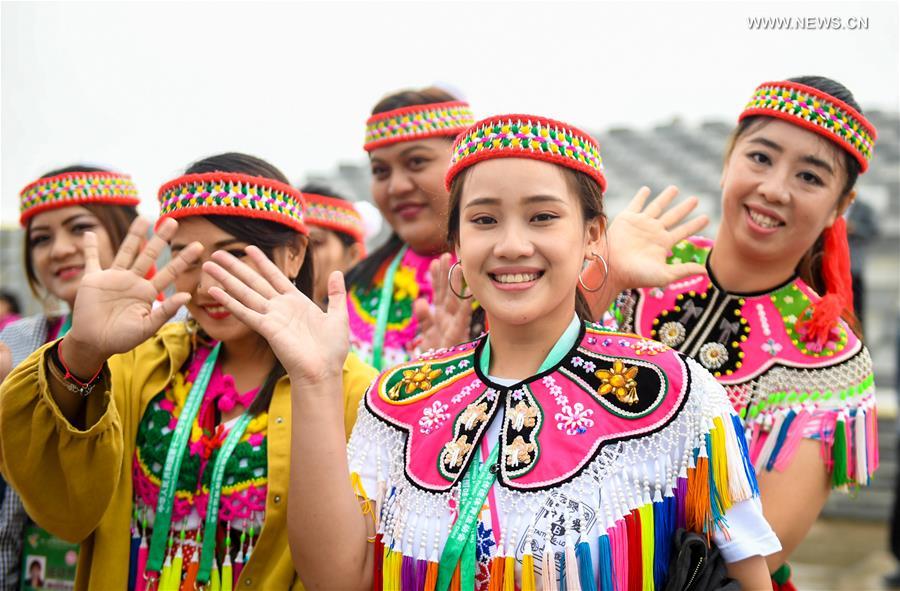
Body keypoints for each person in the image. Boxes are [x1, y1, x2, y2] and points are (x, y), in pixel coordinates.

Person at [204, 114, 779, 590]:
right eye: (483, 220)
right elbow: (338, 580)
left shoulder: (674, 396)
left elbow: (749, 578)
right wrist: (315, 381)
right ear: (456, 244)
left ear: (593, 236)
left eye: (543, 217)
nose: (510, 244)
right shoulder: (399, 400)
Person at [0, 153, 377, 589]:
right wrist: (81, 353)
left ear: (293, 255)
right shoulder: (141, 361)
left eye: (235, 256)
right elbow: (62, 507)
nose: (208, 285)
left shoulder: (346, 387)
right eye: (188, 259)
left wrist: (317, 383)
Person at [587, 76, 879, 586]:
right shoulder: (637, 264)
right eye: (760, 158)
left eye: (810, 177)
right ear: (728, 162)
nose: (773, 188)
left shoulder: (829, 357)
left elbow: (759, 551)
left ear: (841, 205)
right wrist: (601, 279)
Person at [0, 165, 140, 591]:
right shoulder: (18, 339)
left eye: (81, 229)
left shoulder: (170, 335)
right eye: (41, 239)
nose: (59, 250)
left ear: (126, 233)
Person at [345, 87, 477, 369]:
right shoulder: (354, 287)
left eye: (416, 162)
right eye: (381, 171)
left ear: (465, 163)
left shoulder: (510, 273)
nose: (397, 186)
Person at [299, 183, 366, 308]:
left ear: (352, 255)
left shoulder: (374, 321)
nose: (300, 255)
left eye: (316, 242)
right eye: (292, 245)